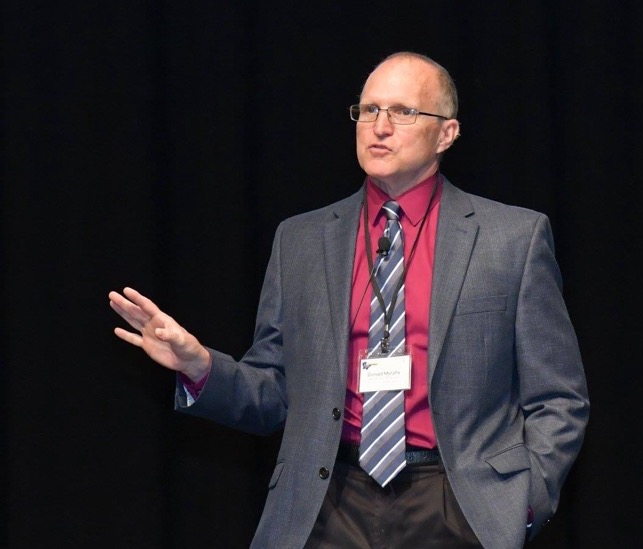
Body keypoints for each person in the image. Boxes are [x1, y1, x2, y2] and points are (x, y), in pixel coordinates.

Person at [109, 51, 589, 549]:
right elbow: (274, 395)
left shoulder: (512, 238)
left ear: (446, 133)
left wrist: (522, 500)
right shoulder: (301, 240)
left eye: (403, 112)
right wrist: (201, 366)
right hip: (327, 500)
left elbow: (559, 397)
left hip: (457, 501)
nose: (379, 126)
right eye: (368, 110)